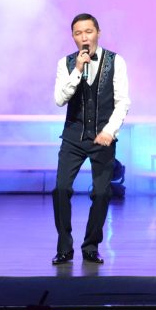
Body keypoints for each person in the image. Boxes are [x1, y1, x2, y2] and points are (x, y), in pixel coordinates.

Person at [52, 13, 130, 266]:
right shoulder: (66, 63)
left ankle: (91, 246)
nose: (84, 37)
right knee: (61, 189)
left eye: (88, 31)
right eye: (78, 33)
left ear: (98, 32)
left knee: (101, 192)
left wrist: (110, 130)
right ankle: (64, 248)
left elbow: (122, 102)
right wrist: (77, 70)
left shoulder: (116, 62)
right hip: (73, 136)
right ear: (73, 37)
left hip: (102, 137)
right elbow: (60, 99)